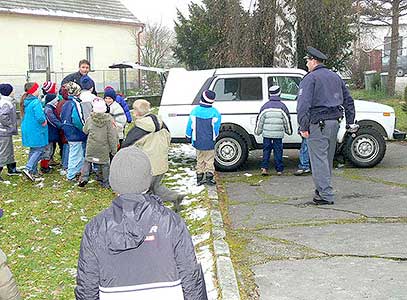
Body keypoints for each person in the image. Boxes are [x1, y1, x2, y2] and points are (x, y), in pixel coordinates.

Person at [75, 147, 208, 300]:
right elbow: (190, 278)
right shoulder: (171, 222)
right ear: (147, 180)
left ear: (113, 181)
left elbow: (87, 287)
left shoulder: (96, 228)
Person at [297, 46, 357, 205]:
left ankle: (325, 195)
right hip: (334, 122)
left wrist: (303, 126)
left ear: (313, 61)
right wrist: (350, 121)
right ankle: (321, 190)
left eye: (307, 61)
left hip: (318, 123)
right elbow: (348, 101)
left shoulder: (310, 78)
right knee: (326, 160)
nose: (307, 64)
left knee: (318, 160)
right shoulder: (335, 77)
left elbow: (303, 105)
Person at [122, 99, 183, 211]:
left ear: (137, 112)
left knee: (142, 190)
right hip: (161, 163)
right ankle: (175, 197)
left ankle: (147, 212)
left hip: (147, 166)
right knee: (156, 187)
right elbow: (169, 137)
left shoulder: (139, 129)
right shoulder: (162, 123)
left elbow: (126, 147)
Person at [78, 97, 118, 188]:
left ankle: (84, 178)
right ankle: (106, 182)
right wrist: (113, 150)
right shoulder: (109, 120)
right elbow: (112, 136)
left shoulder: (90, 119)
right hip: (103, 147)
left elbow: (85, 130)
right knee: (104, 164)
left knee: (88, 161)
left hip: (91, 145)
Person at [254, 85, 293, 176]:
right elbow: (286, 120)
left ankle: (264, 168)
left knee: (266, 150)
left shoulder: (265, 106)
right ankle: (279, 169)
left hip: (267, 134)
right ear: (279, 94)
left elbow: (260, 120)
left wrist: (257, 131)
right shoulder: (282, 106)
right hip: (278, 135)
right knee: (278, 150)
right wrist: (289, 131)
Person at [186, 90, 221, 186]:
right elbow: (217, 128)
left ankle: (199, 178)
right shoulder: (215, 113)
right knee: (209, 160)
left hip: (197, 141)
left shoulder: (195, 111)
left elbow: (190, 125)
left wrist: (188, 135)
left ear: (201, 98)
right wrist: (215, 135)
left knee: (200, 159)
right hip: (209, 141)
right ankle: (209, 178)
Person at [20, 82, 48, 181]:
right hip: (36, 129)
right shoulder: (36, 102)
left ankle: (33, 171)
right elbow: (39, 116)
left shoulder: (26, 101)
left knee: (34, 149)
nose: (38, 91)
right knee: (39, 149)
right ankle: (28, 168)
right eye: (37, 89)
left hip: (28, 128)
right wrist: (44, 121)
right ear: (33, 91)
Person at [60, 82, 87, 181]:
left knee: (75, 152)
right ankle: (72, 174)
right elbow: (77, 119)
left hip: (68, 130)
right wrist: (84, 128)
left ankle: (77, 172)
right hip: (75, 132)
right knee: (76, 154)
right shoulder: (75, 103)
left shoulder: (66, 103)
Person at [0, 83, 21, 181]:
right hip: (4, 131)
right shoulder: (5, 103)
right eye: (12, 90)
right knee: (4, 151)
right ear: (8, 92)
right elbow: (3, 116)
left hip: (6, 132)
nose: (14, 92)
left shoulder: (7, 101)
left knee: (9, 150)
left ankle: (11, 168)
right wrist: (10, 125)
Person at [40, 82, 60, 174]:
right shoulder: (48, 109)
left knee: (50, 148)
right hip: (49, 132)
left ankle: (48, 162)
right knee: (47, 150)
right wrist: (60, 125)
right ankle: (44, 166)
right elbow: (52, 121)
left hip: (50, 132)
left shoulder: (49, 107)